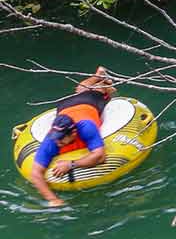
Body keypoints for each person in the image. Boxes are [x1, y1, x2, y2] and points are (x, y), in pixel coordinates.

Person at [28, 68, 116, 207]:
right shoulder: (52, 138)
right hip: (64, 106)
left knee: (104, 90)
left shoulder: (86, 127)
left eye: (61, 138)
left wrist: (71, 164)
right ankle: (97, 76)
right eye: (56, 137)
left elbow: (100, 156)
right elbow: (35, 174)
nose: (58, 141)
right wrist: (53, 199)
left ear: (74, 133)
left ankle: (100, 78)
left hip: (89, 102)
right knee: (80, 91)